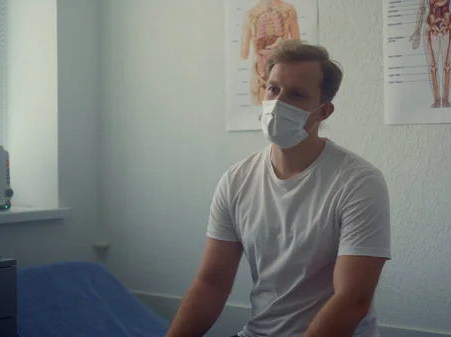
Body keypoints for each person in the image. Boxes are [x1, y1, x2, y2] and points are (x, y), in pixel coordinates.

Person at [165, 40, 391, 337]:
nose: (278, 103)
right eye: (273, 89)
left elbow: (352, 300)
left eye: (296, 94)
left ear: (324, 112)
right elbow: (211, 284)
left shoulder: (358, 183)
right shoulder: (236, 181)